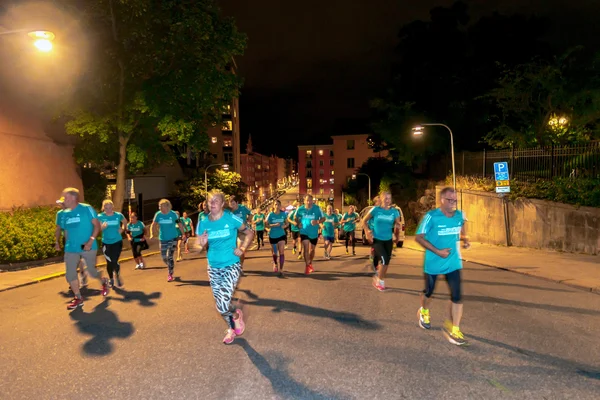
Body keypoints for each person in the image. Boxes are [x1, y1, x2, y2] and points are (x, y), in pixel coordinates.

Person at [197, 191, 254, 344]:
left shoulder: (231, 218)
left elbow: (249, 232)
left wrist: (242, 248)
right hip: (213, 267)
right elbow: (198, 244)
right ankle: (233, 324)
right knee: (221, 304)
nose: (213, 203)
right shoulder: (203, 222)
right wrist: (201, 244)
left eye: (216, 200)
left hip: (231, 265)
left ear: (222, 204)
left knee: (222, 304)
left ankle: (234, 317)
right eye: (210, 201)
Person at [415, 187, 470, 346]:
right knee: (429, 293)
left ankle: (455, 329)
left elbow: (462, 225)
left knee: (457, 296)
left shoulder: (459, 215)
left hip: (453, 263)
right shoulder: (431, 217)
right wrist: (438, 251)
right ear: (442, 200)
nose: (453, 203)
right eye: (449, 200)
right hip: (433, 263)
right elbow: (419, 238)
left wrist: (465, 238)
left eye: (455, 200)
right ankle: (424, 311)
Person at [55, 188, 109, 310]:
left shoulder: (86, 209)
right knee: (70, 274)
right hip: (71, 248)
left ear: (74, 198)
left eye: (66, 198)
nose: (64, 200)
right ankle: (78, 297)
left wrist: (90, 241)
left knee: (91, 271)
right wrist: (61, 244)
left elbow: (97, 226)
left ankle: (103, 281)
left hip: (88, 245)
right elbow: (64, 230)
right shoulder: (64, 213)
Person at [363, 191, 402, 292]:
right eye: (385, 198)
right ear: (381, 199)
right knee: (384, 259)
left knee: (387, 262)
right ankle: (379, 281)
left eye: (389, 198)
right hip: (377, 239)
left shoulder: (394, 211)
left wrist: (397, 234)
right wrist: (367, 232)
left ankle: (379, 278)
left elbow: (397, 224)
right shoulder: (375, 210)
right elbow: (364, 220)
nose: (387, 200)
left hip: (388, 240)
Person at [55, 196, 88, 288]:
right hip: (66, 239)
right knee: (70, 261)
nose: (61, 205)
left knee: (78, 259)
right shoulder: (60, 214)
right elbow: (58, 228)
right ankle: (74, 279)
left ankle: (82, 273)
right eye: (60, 204)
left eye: (62, 203)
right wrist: (57, 241)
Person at [150, 199, 185, 282]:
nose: (159, 208)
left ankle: (170, 274)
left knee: (169, 256)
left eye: (160, 206)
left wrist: (183, 234)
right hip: (162, 239)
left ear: (166, 206)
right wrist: (152, 233)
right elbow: (153, 225)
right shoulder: (158, 215)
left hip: (173, 237)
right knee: (163, 257)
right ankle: (170, 265)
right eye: (159, 206)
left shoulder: (174, 215)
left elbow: (180, 225)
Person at [98, 200, 128, 288]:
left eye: (110, 207)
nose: (108, 209)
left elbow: (125, 222)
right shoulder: (100, 216)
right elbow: (98, 229)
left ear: (112, 207)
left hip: (117, 242)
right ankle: (111, 278)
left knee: (114, 261)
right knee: (109, 262)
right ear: (103, 208)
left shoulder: (118, 215)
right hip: (106, 243)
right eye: (106, 208)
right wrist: (102, 228)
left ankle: (117, 276)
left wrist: (122, 229)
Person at [295, 194, 325, 275]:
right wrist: (298, 223)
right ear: (304, 201)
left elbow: (323, 218)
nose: (309, 202)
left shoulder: (317, 208)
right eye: (307, 200)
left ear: (313, 201)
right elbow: (295, 217)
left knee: (312, 250)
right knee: (306, 248)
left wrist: (317, 222)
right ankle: (307, 265)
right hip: (304, 231)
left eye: (310, 200)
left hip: (314, 232)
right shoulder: (300, 209)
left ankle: (310, 262)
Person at [229, 196, 253, 267]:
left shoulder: (243, 208)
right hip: (233, 232)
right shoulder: (229, 211)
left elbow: (251, 213)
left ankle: (240, 265)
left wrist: (248, 220)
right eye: (231, 204)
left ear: (237, 203)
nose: (232, 206)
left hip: (242, 231)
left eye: (233, 204)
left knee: (240, 249)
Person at [266, 200, 287, 274]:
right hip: (273, 236)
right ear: (273, 206)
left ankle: (281, 269)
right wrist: (273, 225)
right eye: (275, 204)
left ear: (280, 206)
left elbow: (287, 223)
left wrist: (285, 226)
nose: (277, 206)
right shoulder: (270, 215)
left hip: (281, 235)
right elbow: (266, 225)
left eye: (278, 204)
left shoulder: (283, 214)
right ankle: (275, 263)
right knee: (275, 253)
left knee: (281, 252)